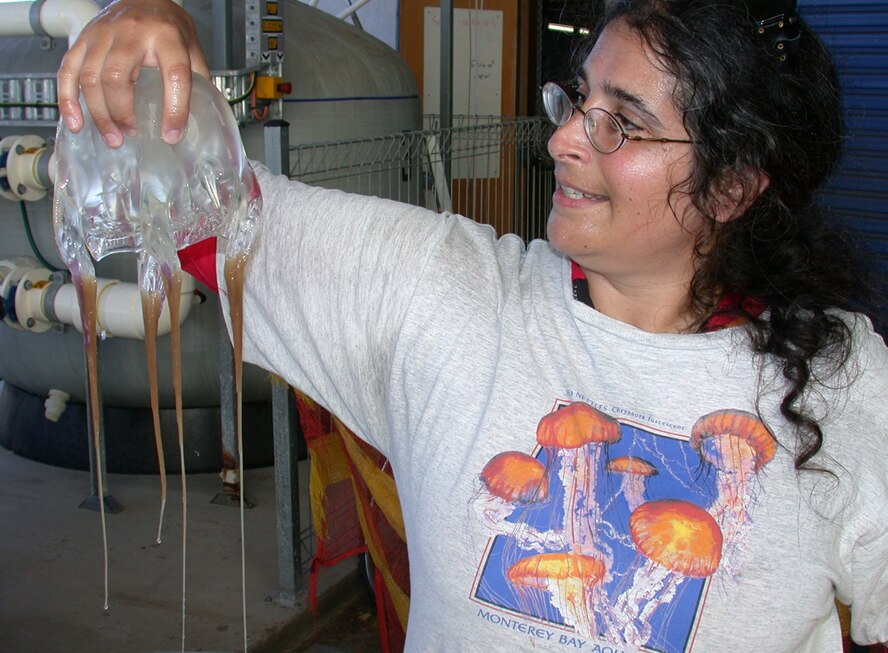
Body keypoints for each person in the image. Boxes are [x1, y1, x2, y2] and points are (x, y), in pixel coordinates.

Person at [57, 0, 888, 651]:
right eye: (576, 100)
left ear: (733, 186)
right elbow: (207, 214)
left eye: (620, 123)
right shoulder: (447, 293)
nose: (563, 138)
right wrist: (147, 27)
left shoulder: (841, 382)